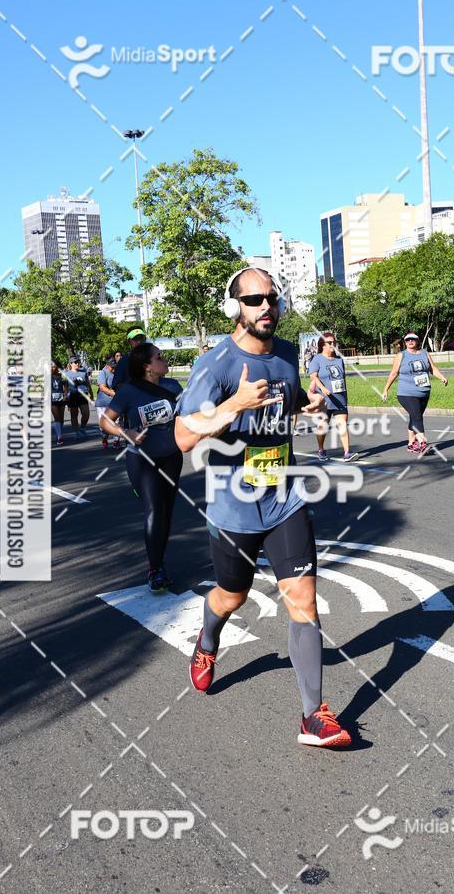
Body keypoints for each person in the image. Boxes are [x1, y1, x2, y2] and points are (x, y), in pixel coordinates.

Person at [175, 266, 351, 749]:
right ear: (234, 307)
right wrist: (233, 405)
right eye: (253, 300)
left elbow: (283, 401)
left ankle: (313, 716)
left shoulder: (289, 354)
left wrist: (304, 405)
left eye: (271, 298)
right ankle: (208, 640)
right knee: (231, 596)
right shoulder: (215, 365)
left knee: (304, 602)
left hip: (284, 498)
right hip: (234, 509)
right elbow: (183, 436)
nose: (265, 307)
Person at [100, 344, 183, 593]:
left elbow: (187, 415)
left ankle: (159, 560)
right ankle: (155, 569)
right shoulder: (129, 391)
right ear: (147, 365)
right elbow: (105, 421)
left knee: (166, 513)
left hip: (171, 458)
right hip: (141, 460)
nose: (164, 359)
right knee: (154, 510)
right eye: (159, 357)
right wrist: (126, 432)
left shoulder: (173, 387)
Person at [382, 332, 448, 454]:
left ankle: (411, 444)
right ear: (405, 342)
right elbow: (394, 373)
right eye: (408, 340)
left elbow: (432, 368)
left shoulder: (424, 353)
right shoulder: (401, 355)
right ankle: (422, 443)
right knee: (417, 416)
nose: (410, 342)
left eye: (413, 339)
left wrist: (441, 377)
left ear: (417, 341)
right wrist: (386, 389)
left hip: (424, 392)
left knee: (415, 417)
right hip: (406, 393)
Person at [309, 332, 358, 462]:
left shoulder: (339, 360)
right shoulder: (317, 359)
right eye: (329, 343)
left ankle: (347, 452)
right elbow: (313, 376)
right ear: (323, 345)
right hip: (324, 400)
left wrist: (345, 395)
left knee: (342, 424)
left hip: (339, 398)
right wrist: (323, 388)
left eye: (334, 343)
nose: (332, 345)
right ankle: (321, 449)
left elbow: (342, 378)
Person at [95, 357, 121, 450]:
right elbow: (102, 387)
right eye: (112, 367)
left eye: (115, 367)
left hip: (115, 402)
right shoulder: (103, 373)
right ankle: (104, 438)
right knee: (104, 423)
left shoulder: (117, 373)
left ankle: (116, 441)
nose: (113, 369)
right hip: (103, 402)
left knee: (117, 421)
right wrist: (114, 394)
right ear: (107, 366)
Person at [64, 356, 92, 440]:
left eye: (78, 362)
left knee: (86, 413)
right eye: (75, 362)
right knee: (74, 414)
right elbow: (65, 386)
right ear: (71, 364)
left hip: (83, 395)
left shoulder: (83, 372)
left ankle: (82, 428)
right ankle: (76, 432)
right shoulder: (67, 373)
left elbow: (88, 383)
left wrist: (91, 393)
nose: (77, 364)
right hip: (73, 395)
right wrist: (65, 396)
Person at [112, 327, 146, 391]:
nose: (139, 341)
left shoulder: (153, 358)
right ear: (129, 341)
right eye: (135, 339)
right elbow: (116, 385)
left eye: (141, 338)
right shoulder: (124, 361)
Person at [50, 361, 68, 446]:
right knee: (57, 417)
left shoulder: (62, 376)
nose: (52, 368)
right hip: (52, 400)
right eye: (51, 366)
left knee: (61, 419)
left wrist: (65, 395)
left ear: (57, 367)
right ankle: (59, 437)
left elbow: (66, 388)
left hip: (61, 399)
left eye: (53, 366)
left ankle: (59, 433)